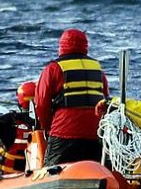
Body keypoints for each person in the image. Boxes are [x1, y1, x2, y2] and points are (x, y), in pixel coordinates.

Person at [35, 28, 109, 166]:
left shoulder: (54, 68)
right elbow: (106, 100)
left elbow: (41, 103)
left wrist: (48, 127)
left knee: (51, 172)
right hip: (94, 132)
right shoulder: (97, 68)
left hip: (63, 132)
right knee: (95, 171)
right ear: (85, 45)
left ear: (62, 45)